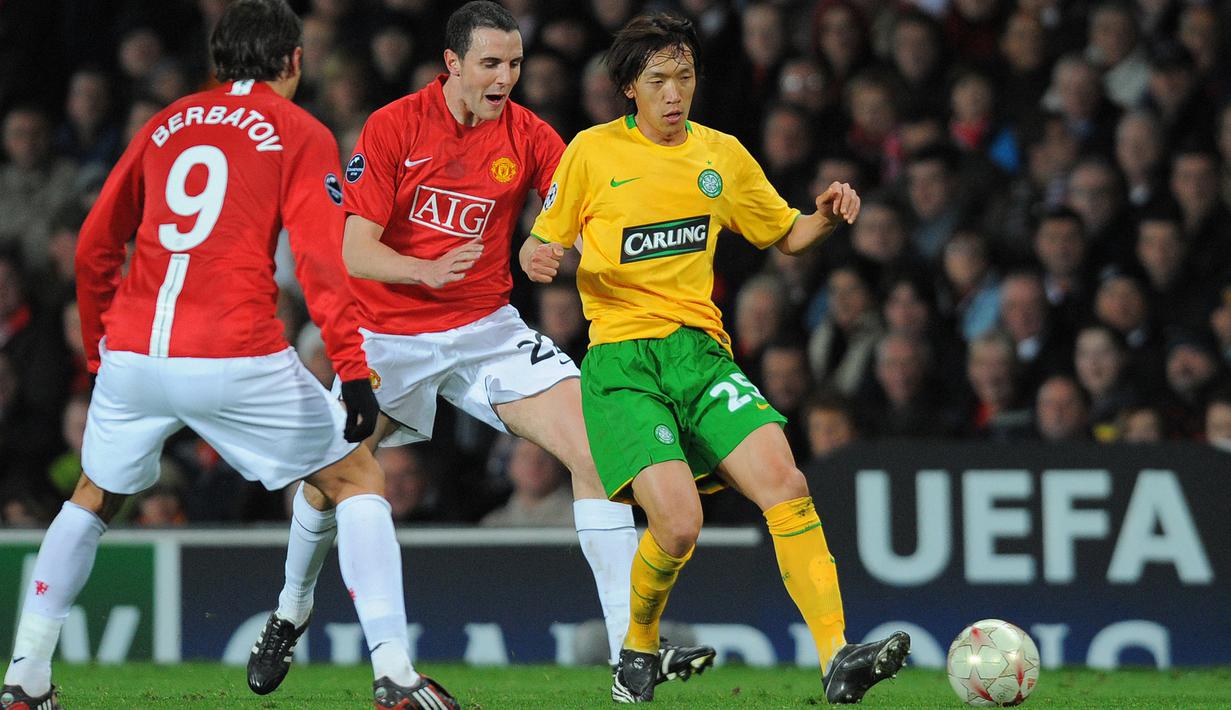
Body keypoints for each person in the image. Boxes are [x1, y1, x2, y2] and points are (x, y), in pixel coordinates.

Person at [1, 2, 459, 709]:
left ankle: (25, 675)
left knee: (93, 496)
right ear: (294, 62)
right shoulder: (300, 131)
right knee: (358, 477)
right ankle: (394, 672)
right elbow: (318, 259)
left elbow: (95, 244)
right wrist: (352, 368)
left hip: (136, 352)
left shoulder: (165, 121)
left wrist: (98, 357)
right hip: (232, 351)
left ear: (218, 64)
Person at [250, 1, 714, 697]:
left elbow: (584, 215)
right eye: (491, 64)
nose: (505, 77)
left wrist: (613, 254)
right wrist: (425, 271)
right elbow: (356, 251)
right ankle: (289, 612)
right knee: (327, 482)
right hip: (389, 335)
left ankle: (629, 653)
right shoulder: (393, 127)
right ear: (453, 65)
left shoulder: (528, 134)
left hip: (485, 332)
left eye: (516, 63)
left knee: (601, 448)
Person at [521, 13, 909, 704]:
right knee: (677, 524)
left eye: (685, 77)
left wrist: (825, 214)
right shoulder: (590, 152)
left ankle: (836, 657)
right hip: (621, 363)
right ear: (628, 91)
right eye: (659, 80)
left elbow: (784, 234)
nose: (675, 94)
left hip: (700, 354)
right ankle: (636, 648)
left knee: (786, 484)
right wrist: (537, 255)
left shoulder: (720, 155)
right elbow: (539, 238)